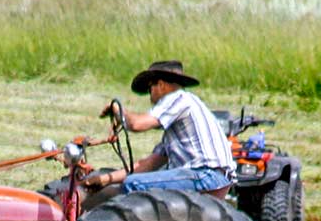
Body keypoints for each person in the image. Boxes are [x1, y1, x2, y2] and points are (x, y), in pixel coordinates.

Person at [83, 60, 234, 196]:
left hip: (206, 175)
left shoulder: (178, 98)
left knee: (134, 184)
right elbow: (148, 164)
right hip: (210, 176)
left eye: (150, 88)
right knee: (135, 180)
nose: (150, 96)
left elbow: (136, 124)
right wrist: (105, 179)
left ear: (161, 85)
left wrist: (117, 109)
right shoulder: (175, 132)